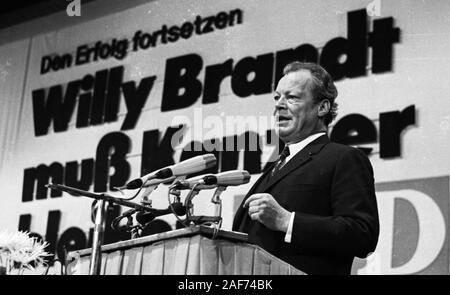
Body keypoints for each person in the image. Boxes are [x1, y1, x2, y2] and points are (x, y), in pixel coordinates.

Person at [232, 61, 379, 275]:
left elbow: (362, 234)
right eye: (277, 97)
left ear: (322, 107)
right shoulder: (274, 168)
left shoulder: (343, 158)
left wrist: (287, 221)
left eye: (291, 97)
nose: (279, 105)